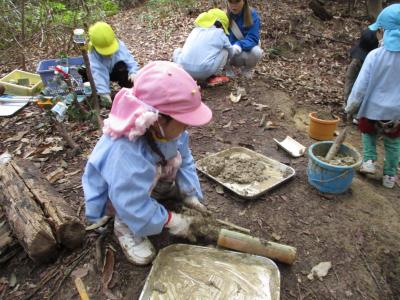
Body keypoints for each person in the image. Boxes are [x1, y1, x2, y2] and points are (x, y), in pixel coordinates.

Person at [82, 61, 212, 265]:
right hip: (119, 195)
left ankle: (159, 196)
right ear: (158, 120)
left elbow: (185, 160)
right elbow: (129, 201)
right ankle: (126, 227)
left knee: (172, 161)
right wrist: (172, 221)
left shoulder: (170, 132)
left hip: (146, 176)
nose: (188, 125)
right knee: (128, 206)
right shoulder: (127, 153)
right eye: (184, 120)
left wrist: (190, 194)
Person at [345, 4, 400, 188]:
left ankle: (369, 162)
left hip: (372, 107)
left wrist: (352, 106)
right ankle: (390, 176)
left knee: (368, 134)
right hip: (396, 113)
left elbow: (360, 86)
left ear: (385, 31)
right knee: (393, 142)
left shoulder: (375, 56)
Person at [173, 8, 232, 86]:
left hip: (184, 70)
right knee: (225, 51)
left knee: (177, 50)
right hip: (204, 71)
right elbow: (231, 50)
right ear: (220, 25)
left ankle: (181, 76)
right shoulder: (220, 33)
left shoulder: (195, 30)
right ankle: (213, 77)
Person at [87, 21, 139, 105]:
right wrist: (104, 92)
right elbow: (98, 72)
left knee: (123, 67)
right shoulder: (93, 54)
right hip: (104, 72)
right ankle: (99, 93)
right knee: (89, 77)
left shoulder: (119, 45)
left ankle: (130, 89)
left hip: (117, 71)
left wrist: (133, 72)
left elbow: (129, 60)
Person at [226, 0, 263, 79]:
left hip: (243, 51)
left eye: (237, 2)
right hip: (228, 55)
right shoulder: (223, 15)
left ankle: (247, 70)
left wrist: (239, 45)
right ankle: (227, 69)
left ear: (243, 2)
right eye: (231, 2)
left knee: (257, 52)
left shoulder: (252, 14)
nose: (233, 5)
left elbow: (253, 38)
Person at [343, 29, 379, 108]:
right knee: (352, 74)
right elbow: (350, 78)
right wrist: (348, 102)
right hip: (358, 61)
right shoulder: (370, 32)